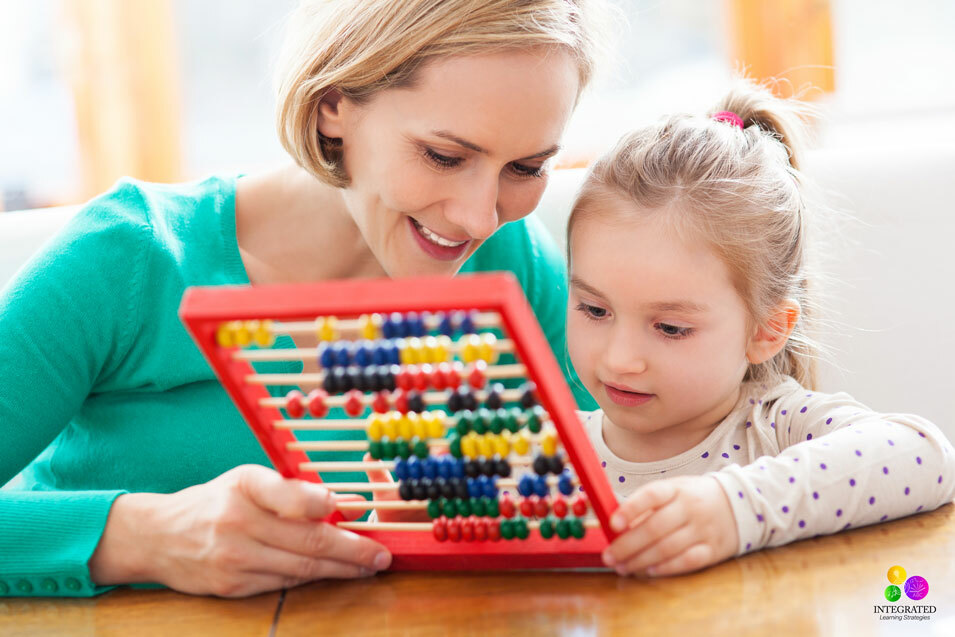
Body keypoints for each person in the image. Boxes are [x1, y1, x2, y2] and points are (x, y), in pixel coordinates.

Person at [0, 0, 611, 598]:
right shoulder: (130, 257)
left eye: (526, 168)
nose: (480, 217)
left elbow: (621, 470)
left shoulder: (511, 259)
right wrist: (144, 536)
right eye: (444, 156)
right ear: (333, 107)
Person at [564, 79, 955, 577]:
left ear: (766, 331)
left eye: (669, 327)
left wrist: (734, 508)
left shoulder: (776, 429)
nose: (619, 359)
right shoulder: (546, 451)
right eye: (595, 311)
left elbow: (926, 457)